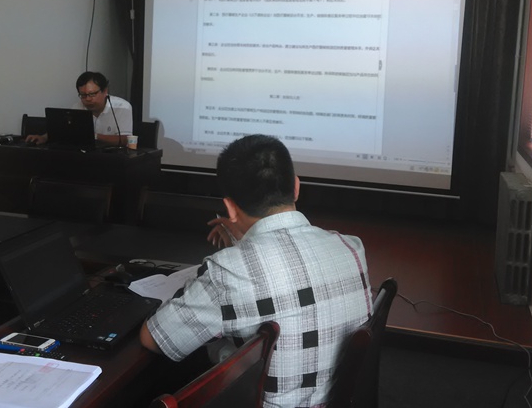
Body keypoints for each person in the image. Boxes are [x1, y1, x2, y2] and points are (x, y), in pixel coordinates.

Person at [139, 134, 372, 407]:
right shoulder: (351, 247)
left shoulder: (228, 272)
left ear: (230, 208)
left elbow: (154, 339)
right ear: (296, 187)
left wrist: (237, 253)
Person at [25, 71, 132, 146]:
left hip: (114, 157)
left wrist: (94, 136)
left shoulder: (122, 107)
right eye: (83, 95)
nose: (88, 99)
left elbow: (125, 140)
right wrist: (44, 137)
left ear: (105, 91)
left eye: (92, 94)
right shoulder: (78, 107)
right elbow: (65, 130)